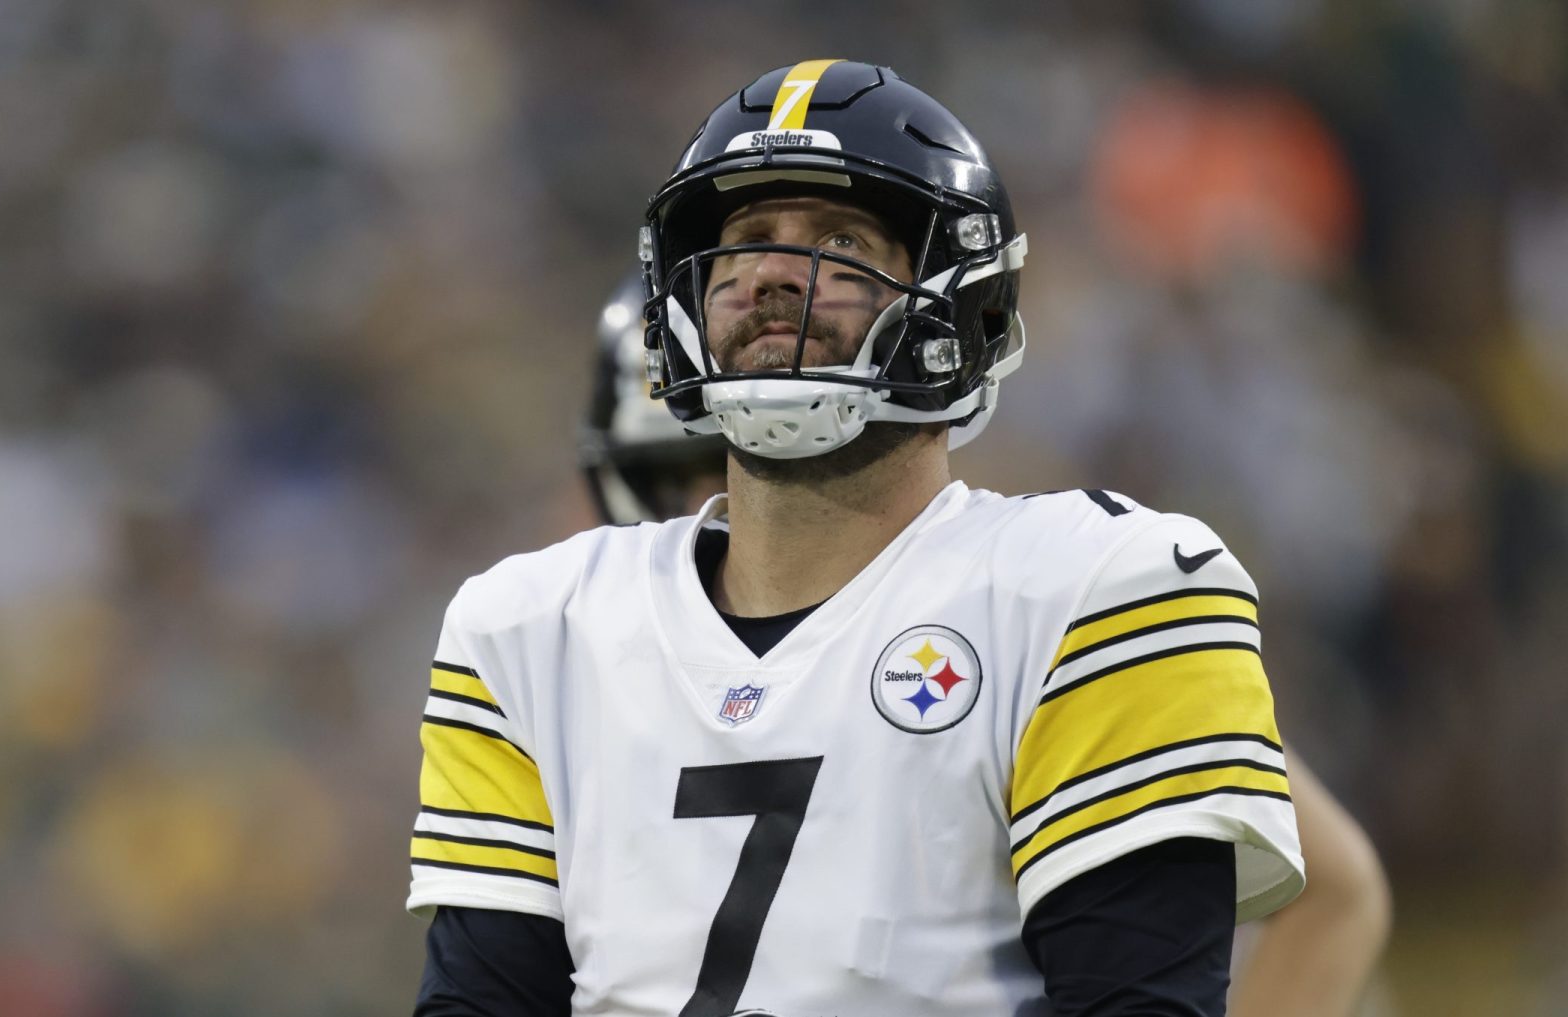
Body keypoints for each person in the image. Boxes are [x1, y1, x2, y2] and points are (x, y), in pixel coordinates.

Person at [410, 60, 1307, 1016]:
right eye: (747, 239)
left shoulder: (1096, 587)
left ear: (964, 300)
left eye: (840, 240)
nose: (771, 272)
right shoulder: (530, 626)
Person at [575, 271, 1393, 1015]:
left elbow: (1333, 888)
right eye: (689, 469)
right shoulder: (581, 673)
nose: (727, 497)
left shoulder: (989, 614)